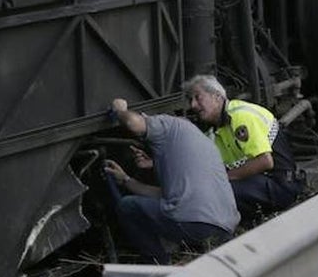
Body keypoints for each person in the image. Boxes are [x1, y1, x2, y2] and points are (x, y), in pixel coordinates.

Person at [103, 98, 240, 264]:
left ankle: (157, 264)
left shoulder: (166, 124)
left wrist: (120, 111)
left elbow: (133, 123)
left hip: (196, 224)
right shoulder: (200, 143)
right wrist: (126, 180)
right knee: (161, 206)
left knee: (127, 206)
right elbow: (167, 194)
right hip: (225, 228)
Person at [184, 75, 304, 221]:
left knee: (218, 192)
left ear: (217, 96)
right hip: (264, 181)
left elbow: (265, 161)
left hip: (282, 185)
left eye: (198, 98)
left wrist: (224, 179)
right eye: (191, 100)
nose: (193, 105)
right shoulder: (216, 129)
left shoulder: (239, 116)